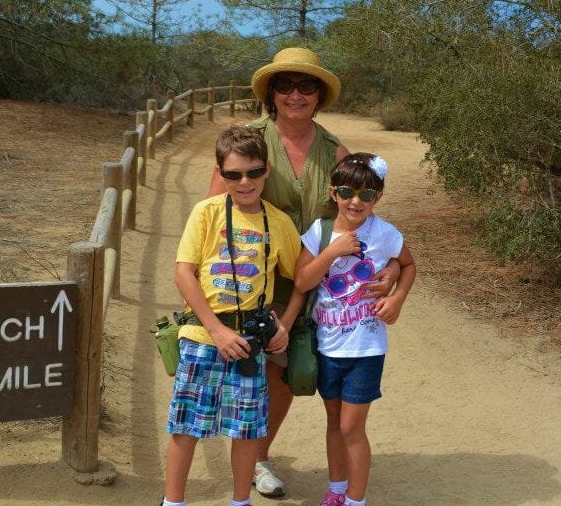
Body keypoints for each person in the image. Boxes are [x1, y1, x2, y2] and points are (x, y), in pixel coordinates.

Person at [206, 47, 401, 497]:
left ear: (318, 96)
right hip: (253, 280)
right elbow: (213, 211)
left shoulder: (335, 151)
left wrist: (391, 269)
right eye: (285, 85)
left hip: (316, 285)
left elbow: (363, 220)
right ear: (271, 93)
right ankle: (254, 463)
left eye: (306, 86)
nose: (295, 94)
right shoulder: (249, 139)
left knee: (292, 374)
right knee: (259, 372)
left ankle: (256, 457)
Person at [162, 125, 302, 506]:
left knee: (246, 431)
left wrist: (284, 325)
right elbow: (183, 272)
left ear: (267, 171)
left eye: (254, 172)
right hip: (204, 336)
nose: (245, 182)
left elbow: (302, 279)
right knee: (186, 425)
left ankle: (240, 501)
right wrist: (216, 331)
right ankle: (173, 501)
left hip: (250, 344)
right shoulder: (206, 213)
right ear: (220, 173)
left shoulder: (278, 223)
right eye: (234, 174)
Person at [289, 153, 417, 506]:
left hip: (365, 348)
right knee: (334, 422)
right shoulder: (319, 232)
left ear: (379, 197)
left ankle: (356, 500)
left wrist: (397, 297)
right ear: (333, 192)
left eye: (367, 194)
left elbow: (408, 264)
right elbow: (302, 281)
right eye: (347, 192)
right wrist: (332, 252)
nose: (356, 201)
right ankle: (337, 489)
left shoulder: (385, 234)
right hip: (328, 346)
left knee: (351, 428)